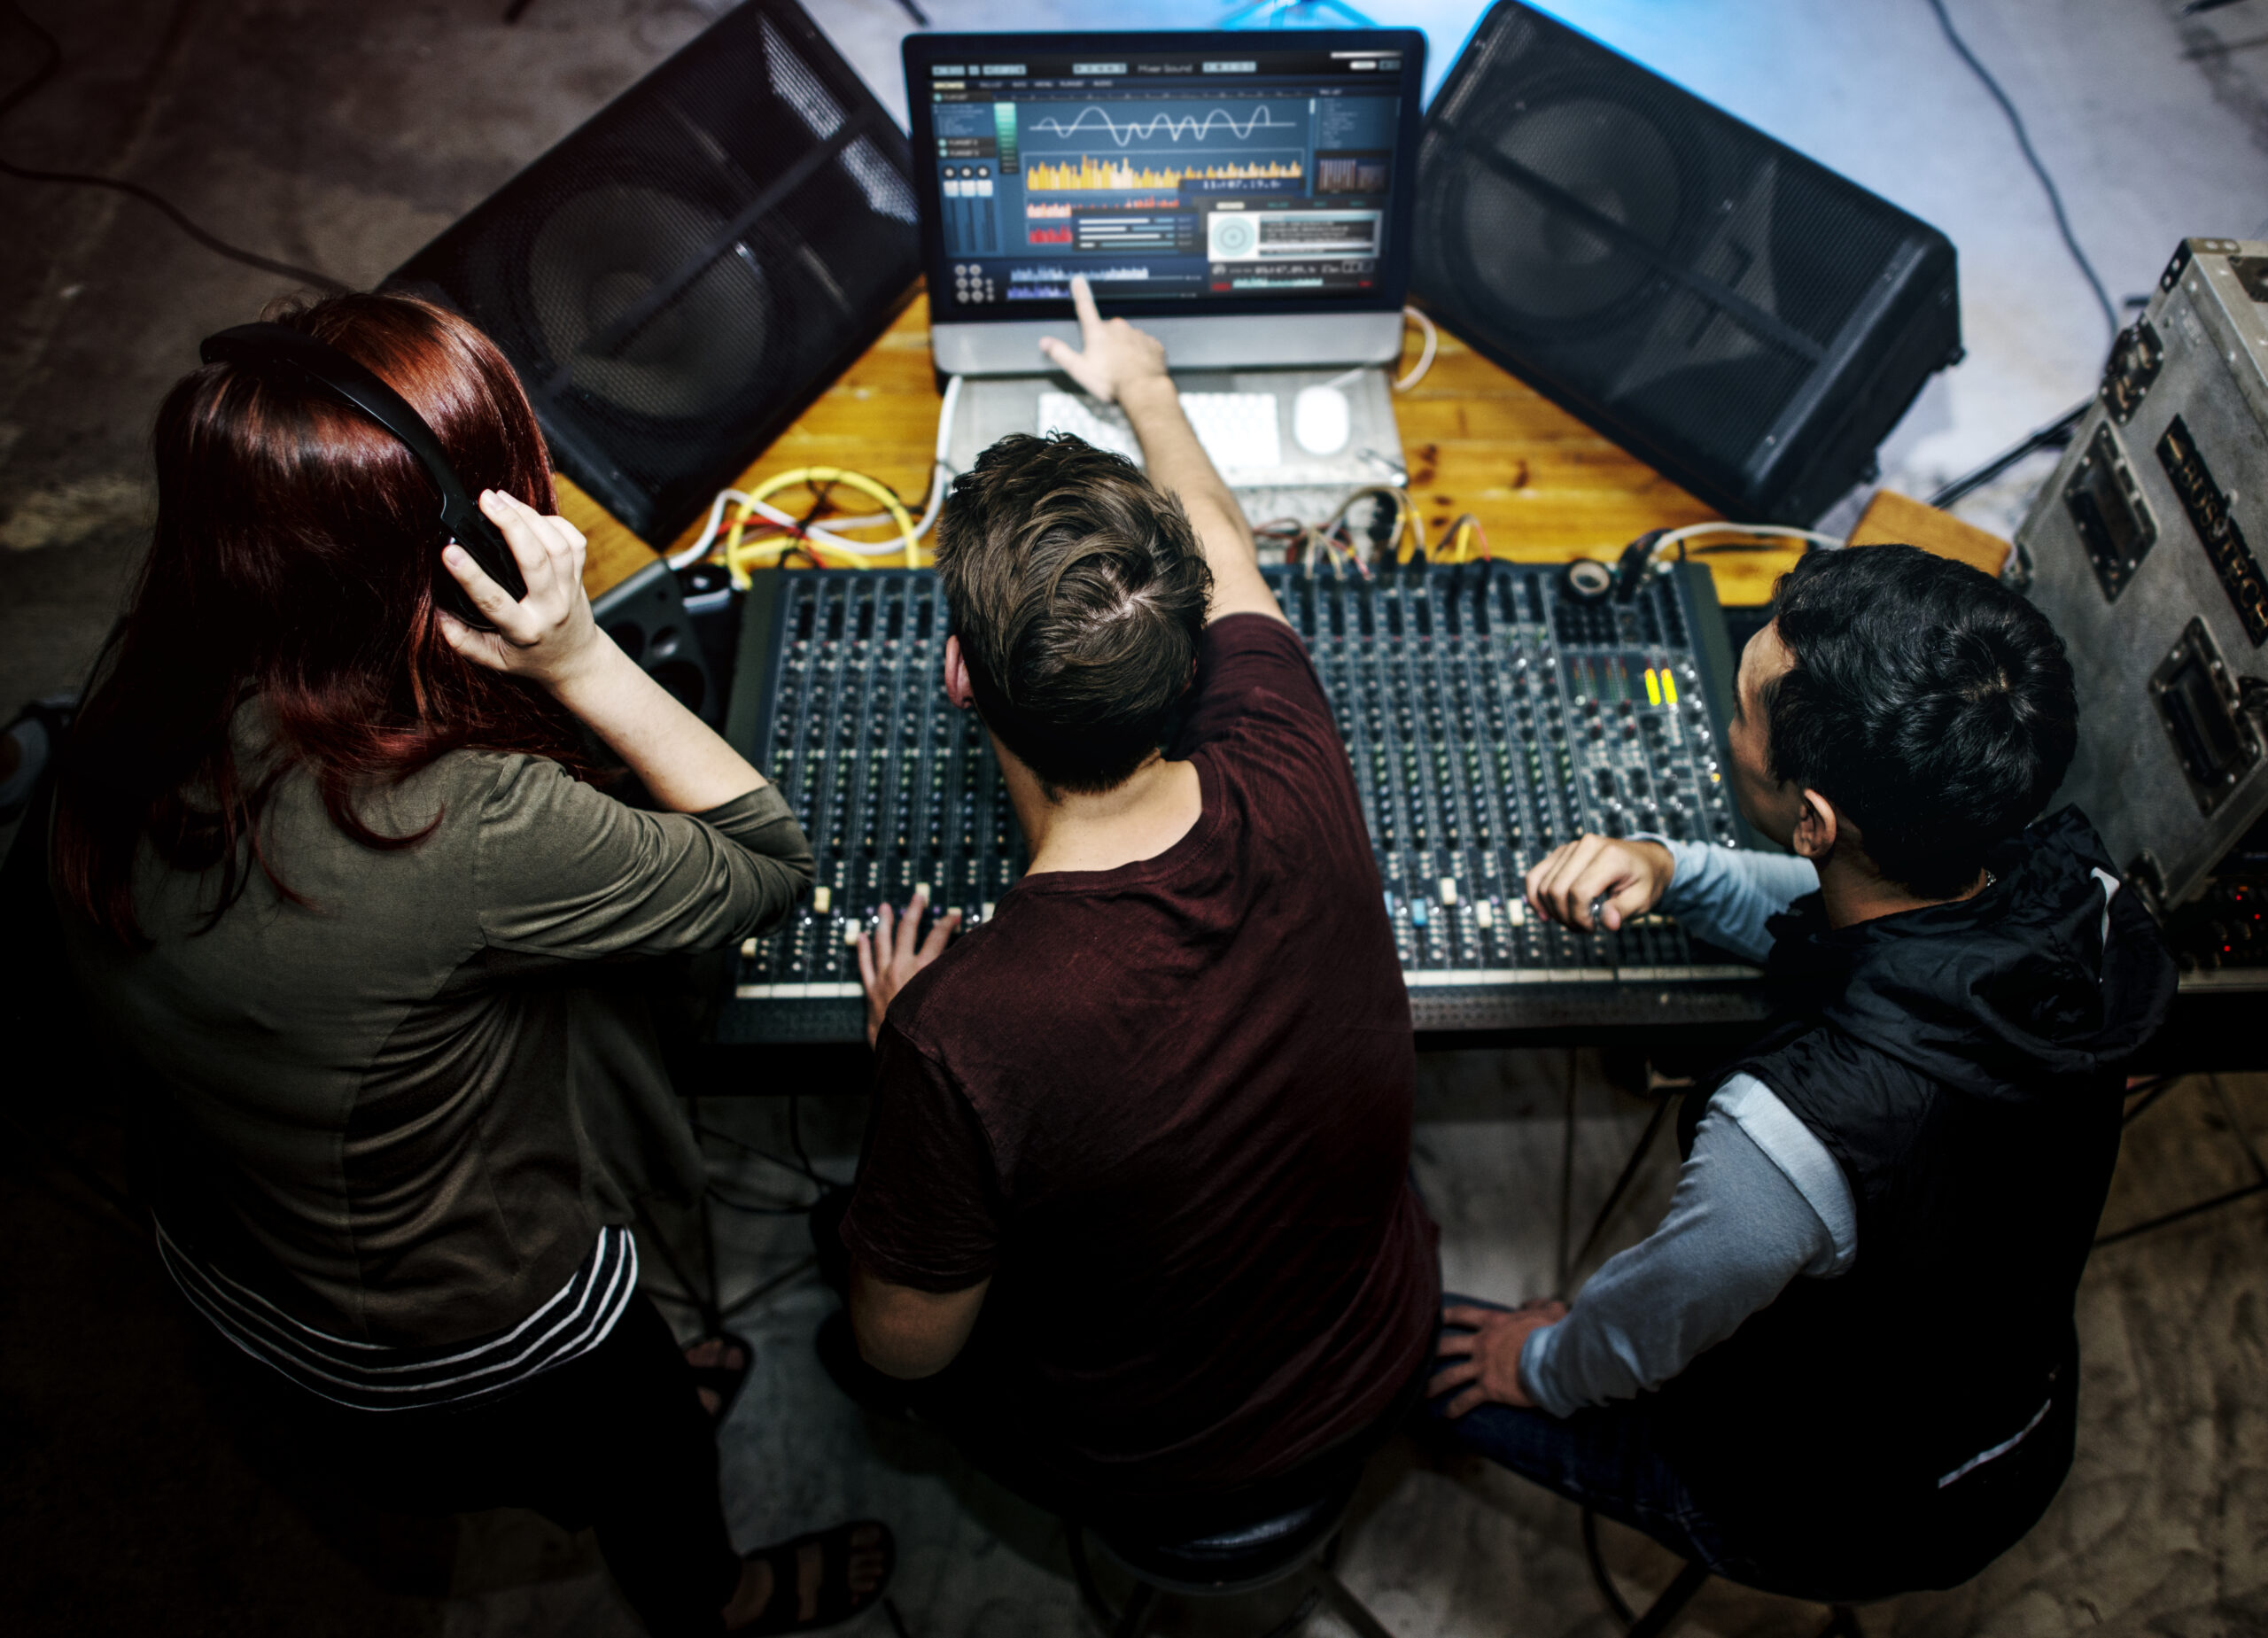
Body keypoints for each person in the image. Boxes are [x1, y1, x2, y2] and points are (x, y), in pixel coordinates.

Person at [50, 292, 891, 1635]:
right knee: (645, 1452)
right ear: (454, 552)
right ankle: (713, 1597)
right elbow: (763, 865)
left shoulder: (131, 689)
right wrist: (579, 654)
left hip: (226, 1255)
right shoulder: (471, 820)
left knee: (643, 1394)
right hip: (460, 1322)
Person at [1425, 543, 2176, 1600]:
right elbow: (1871, 926)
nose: (1725, 721)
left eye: (1739, 711)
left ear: (1815, 818)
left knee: (1398, 1352)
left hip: (1843, 1510)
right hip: (2018, 1413)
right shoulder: (2081, 893)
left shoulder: (1782, 1141)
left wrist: (1542, 1361)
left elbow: (1650, 1325)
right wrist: (1674, 869)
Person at [829, 276, 1439, 1525]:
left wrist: (903, 1057)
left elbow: (908, 1351)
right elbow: (1220, 535)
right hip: (1381, 1338)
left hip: (1165, 1457)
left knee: (849, 1333)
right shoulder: (1286, 734)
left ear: (964, 680)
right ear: (1195, 655)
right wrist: (1145, 386)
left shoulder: (964, 1032)